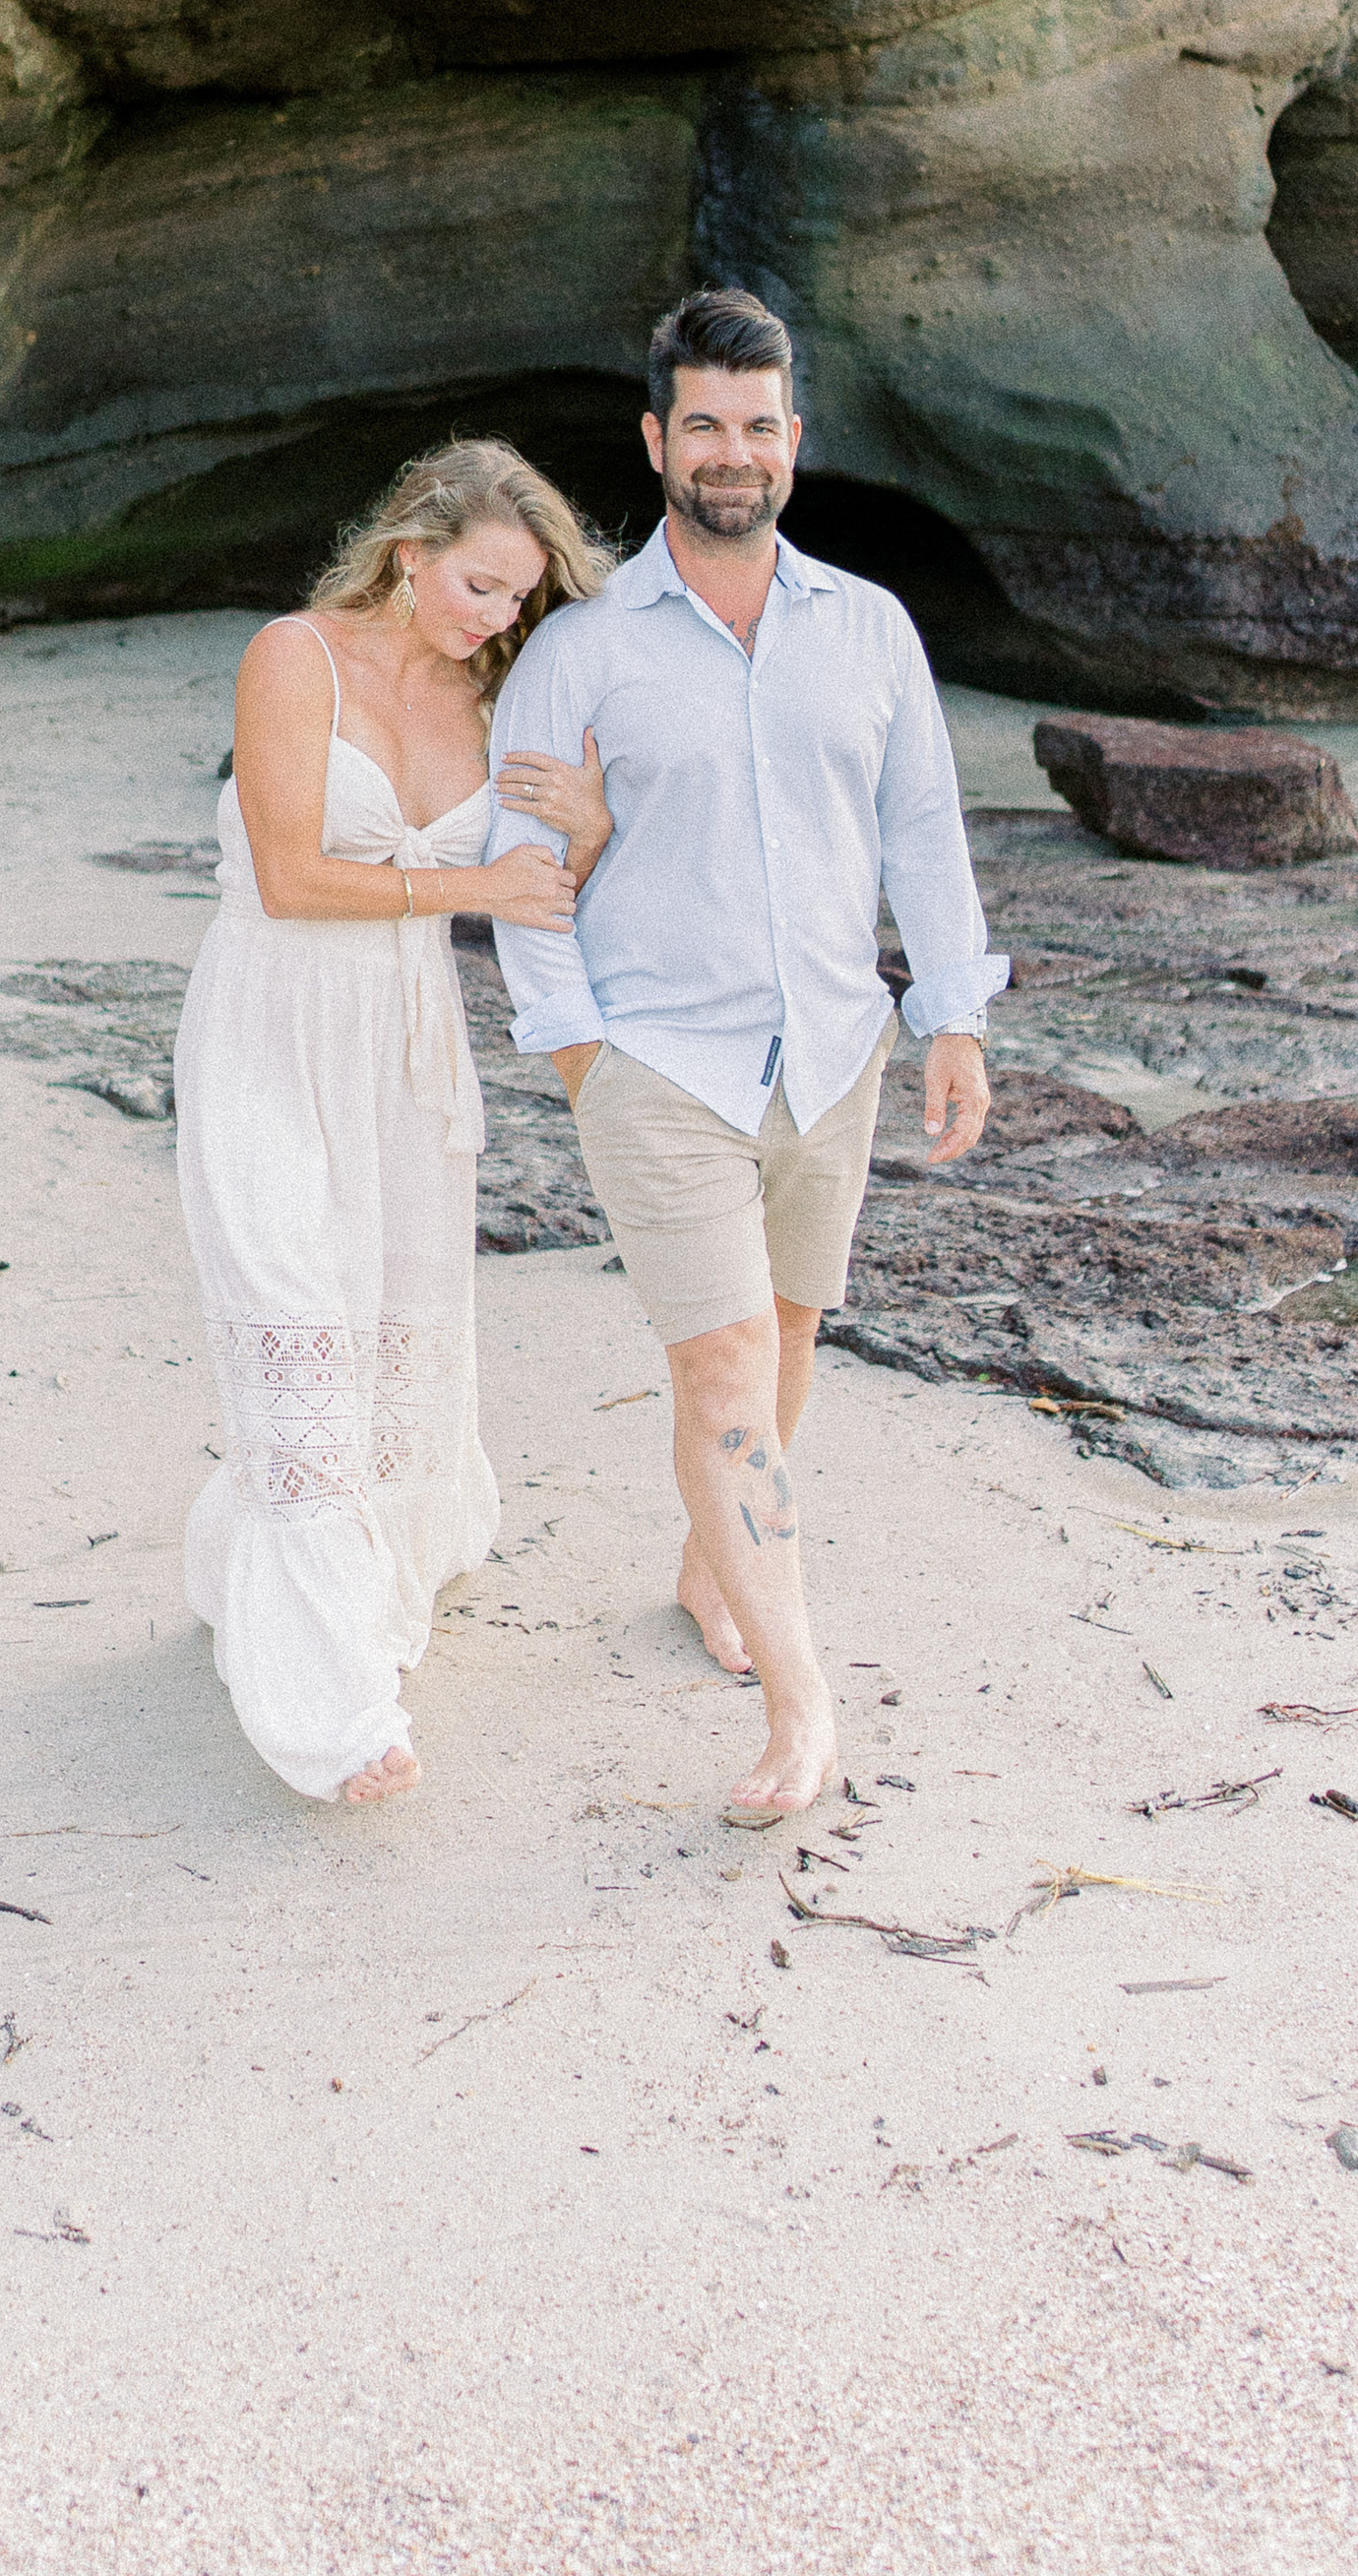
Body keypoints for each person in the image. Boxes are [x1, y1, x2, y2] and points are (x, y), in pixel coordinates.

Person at [486, 289, 1006, 1824]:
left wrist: (951, 1016)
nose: (733, 453)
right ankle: (801, 1703)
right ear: (656, 441)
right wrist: (581, 1053)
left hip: (833, 1052)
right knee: (715, 1363)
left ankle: (716, 1569)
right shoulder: (581, 654)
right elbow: (525, 869)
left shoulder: (871, 631)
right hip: (661, 1064)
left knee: (783, 1347)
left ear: (796, 441)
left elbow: (922, 830)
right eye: (702, 424)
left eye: (759, 426)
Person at [173, 442, 613, 1807]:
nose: (494, 617)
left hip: (406, 1056)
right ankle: (333, 1708)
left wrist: (584, 832)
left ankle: (265, 1562)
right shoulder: (291, 659)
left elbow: (550, 875)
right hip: (268, 1031)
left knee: (375, 1344)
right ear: (412, 550)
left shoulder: (499, 697)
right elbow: (296, 875)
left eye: (519, 600)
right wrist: (474, 885)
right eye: (479, 583)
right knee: (294, 1327)